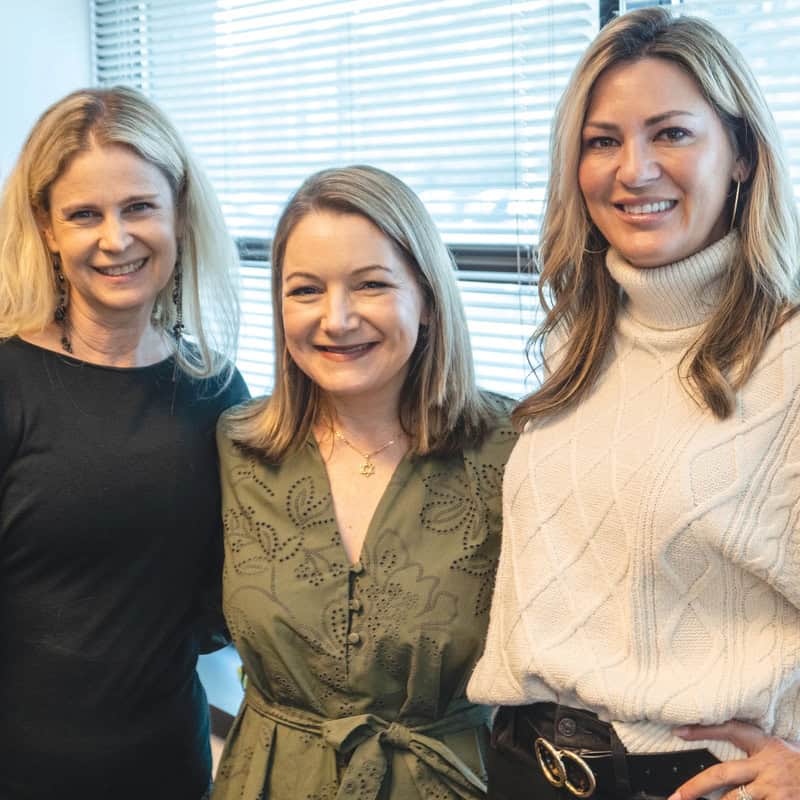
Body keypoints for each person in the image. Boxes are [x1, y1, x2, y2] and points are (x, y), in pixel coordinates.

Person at [468, 8, 800, 800]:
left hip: (689, 783)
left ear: (743, 154)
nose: (634, 169)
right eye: (603, 140)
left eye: (672, 134)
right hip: (523, 765)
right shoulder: (578, 346)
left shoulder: (789, 358)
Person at [212, 165, 517, 800]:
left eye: (371, 284)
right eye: (305, 290)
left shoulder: (513, 447)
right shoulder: (237, 447)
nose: (337, 318)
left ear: (428, 299)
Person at [0, 87, 249, 799]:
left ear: (177, 211)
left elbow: (223, 604)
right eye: (84, 214)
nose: (116, 238)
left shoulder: (218, 391)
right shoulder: (10, 380)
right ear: (48, 229)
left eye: (138, 206)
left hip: (170, 767)